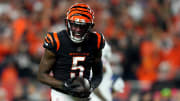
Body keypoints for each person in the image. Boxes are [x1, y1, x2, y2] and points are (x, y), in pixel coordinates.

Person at [37, 3, 105, 101]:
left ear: (90, 26)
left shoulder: (96, 41)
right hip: (61, 95)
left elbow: (98, 74)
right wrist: (64, 86)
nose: (78, 30)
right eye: (74, 25)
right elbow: (41, 75)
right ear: (67, 23)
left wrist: (90, 86)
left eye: (82, 26)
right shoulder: (56, 41)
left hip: (83, 96)